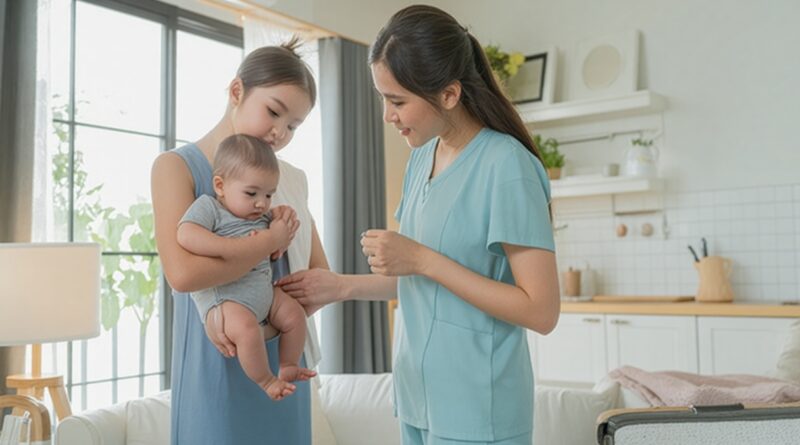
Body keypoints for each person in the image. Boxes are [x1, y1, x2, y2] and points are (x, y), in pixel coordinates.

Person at [277, 5, 560, 445]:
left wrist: (424, 260)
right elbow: (425, 285)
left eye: (398, 101)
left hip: (478, 410)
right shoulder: (421, 158)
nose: (387, 116)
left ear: (449, 94)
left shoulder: (507, 166)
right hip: (416, 397)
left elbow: (541, 311)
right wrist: (341, 287)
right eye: (383, 99)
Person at [152, 39, 325, 444]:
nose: (280, 132)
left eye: (294, 126)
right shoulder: (176, 167)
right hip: (216, 357)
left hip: (282, 359)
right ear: (236, 92)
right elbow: (183, 274)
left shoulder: (288, 180)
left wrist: (277, 316)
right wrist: (268, 242)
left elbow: (319, 274)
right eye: (273, 112)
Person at [176, 133, 315, 401]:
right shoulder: (210, 208)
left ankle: (287, 365)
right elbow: (186, 234)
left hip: (265, 292)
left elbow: (277, 248)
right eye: (251, 193)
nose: (261, 202)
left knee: (295, 316)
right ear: (220, 185)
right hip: (229, 300)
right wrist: (228, 248)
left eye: (268, 194)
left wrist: (279, 230)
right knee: (247, 331)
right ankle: (266, 380)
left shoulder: (263, 215)